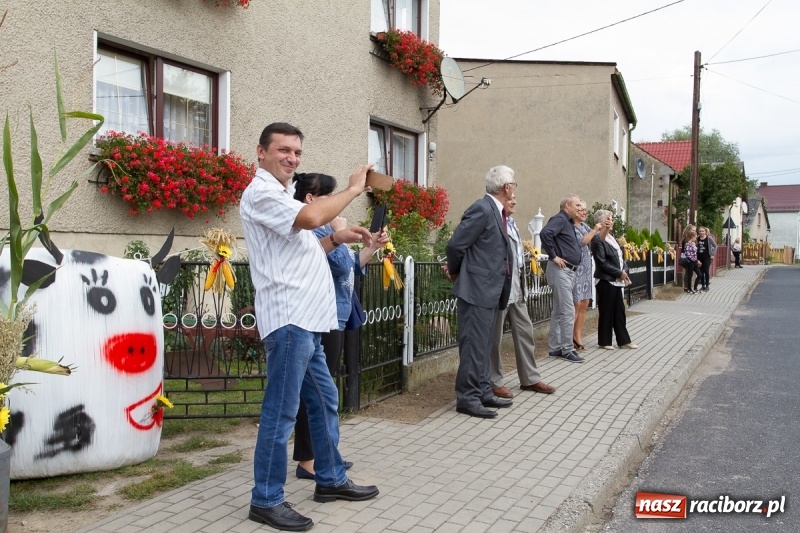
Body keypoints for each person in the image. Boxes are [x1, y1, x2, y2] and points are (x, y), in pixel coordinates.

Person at [240, 122, 379, 532]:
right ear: (261, 153)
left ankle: (330, 479)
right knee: (281, 413)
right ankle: (265, 499)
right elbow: (313, 214)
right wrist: (354, 189)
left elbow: (304, 249)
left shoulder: (281, 195)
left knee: (323, 401)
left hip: (308, 319)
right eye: (283, 150)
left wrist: (338, 240)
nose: (292, 158)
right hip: (288, 320)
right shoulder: (262, 192)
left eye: (297, 152)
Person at [291, 172, 389, 481]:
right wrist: (339, 231)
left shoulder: (323, 227)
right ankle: (308, 460)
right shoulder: (313, 227)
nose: (336, 204)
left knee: (323, 389)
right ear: (310, 200)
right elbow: (338, 264)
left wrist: (370, 248)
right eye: (328, 197)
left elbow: (350, 269)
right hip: (323, 316)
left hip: (337, 314)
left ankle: (322, 454)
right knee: (317, 392)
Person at [444, 165, 515, 419]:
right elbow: (455, 245)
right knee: (474, 345)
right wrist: (455, 271)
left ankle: (483, 390)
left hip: (489, 290)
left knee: (483, 345)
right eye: (513, 184)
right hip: (476, 290)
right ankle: (468, 397)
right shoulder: (482, 208)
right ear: (506, 187)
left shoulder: (495, 211)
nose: (514, 189)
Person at [488, 193, 557, 399]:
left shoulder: (512, 222)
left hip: (517, 285)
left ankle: (530, 378)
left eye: (515, 198)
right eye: (510, 198)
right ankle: (493, 381)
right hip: (501, 287)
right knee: (494, 337)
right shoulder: (493, 221)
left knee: (525, 332)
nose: (514, 201)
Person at [539, 194, 585, 363]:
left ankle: (555, 347)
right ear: (567, 206)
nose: (580, 208)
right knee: (567, 310)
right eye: (577, 205)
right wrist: (553, 256)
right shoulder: (560, 219)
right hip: (561, 271)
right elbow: (545, 233)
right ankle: (567, 349)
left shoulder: (568, 222)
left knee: (559, 310)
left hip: (567, 272)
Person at [591, 209, 637, 350]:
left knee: (619, 311)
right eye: (608, 219)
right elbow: (602, 262)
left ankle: (623, 340)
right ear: (601, 221)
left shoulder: (613, 238)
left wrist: (624, 271)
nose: (611, 221)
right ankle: (604, 341)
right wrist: (618, 273)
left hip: (616, 280)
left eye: (611, 219)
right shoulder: (597, 239)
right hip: (605, 280)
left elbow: (620, 257)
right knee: (607, 311)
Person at [571, 200, 602, 351]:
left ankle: (578, 335)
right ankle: (571, 337)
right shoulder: (572, 227)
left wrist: (605, 229)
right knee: (575, 303)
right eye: (581, 209)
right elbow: (582, 242)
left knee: (584, 302)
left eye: (585, 210)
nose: (584, 212)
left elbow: (598, 239)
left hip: (586, 268)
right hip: (577, 268)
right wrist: (595, 229)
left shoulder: (584, 226)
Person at [694, 226, 718, 292]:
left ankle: (707, 286)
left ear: (705, 232)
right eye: (700, 231)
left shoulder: (708, 238)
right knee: (701, 272)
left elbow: (715, 246)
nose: (701, 232)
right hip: (699, 257)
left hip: (707, 257)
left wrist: (712, 254)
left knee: (706, 271)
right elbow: (695, 246)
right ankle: (703, 286)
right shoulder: (697, 238)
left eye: (703, 231)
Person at [680, 226, 701, 294]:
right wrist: (694, 260)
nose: (696, 238)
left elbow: (695, 253)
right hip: (690, 261)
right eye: (695, 237)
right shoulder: (687, 244)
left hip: (694, 261)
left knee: (699, 274)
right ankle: (689, 288)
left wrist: (696, 260)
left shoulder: (693, 243)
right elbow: (688, 254)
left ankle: (695, 288)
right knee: (690, 275)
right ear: (692, 237)